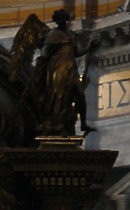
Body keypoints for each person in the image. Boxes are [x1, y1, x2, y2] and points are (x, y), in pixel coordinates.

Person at [36, 8, 96, 136]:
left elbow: (76, 53)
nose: (63, 21)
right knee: (58, 95)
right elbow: (45, 52)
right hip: (58, 68)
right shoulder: (53, 34)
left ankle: (83, 124)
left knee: (80, 93)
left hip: (71, 68)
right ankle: (55, 123)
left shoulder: (72, 34)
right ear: (57, 20)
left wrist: (90, 48)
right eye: (61, 18)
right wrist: (55, 46)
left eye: (65, 18)